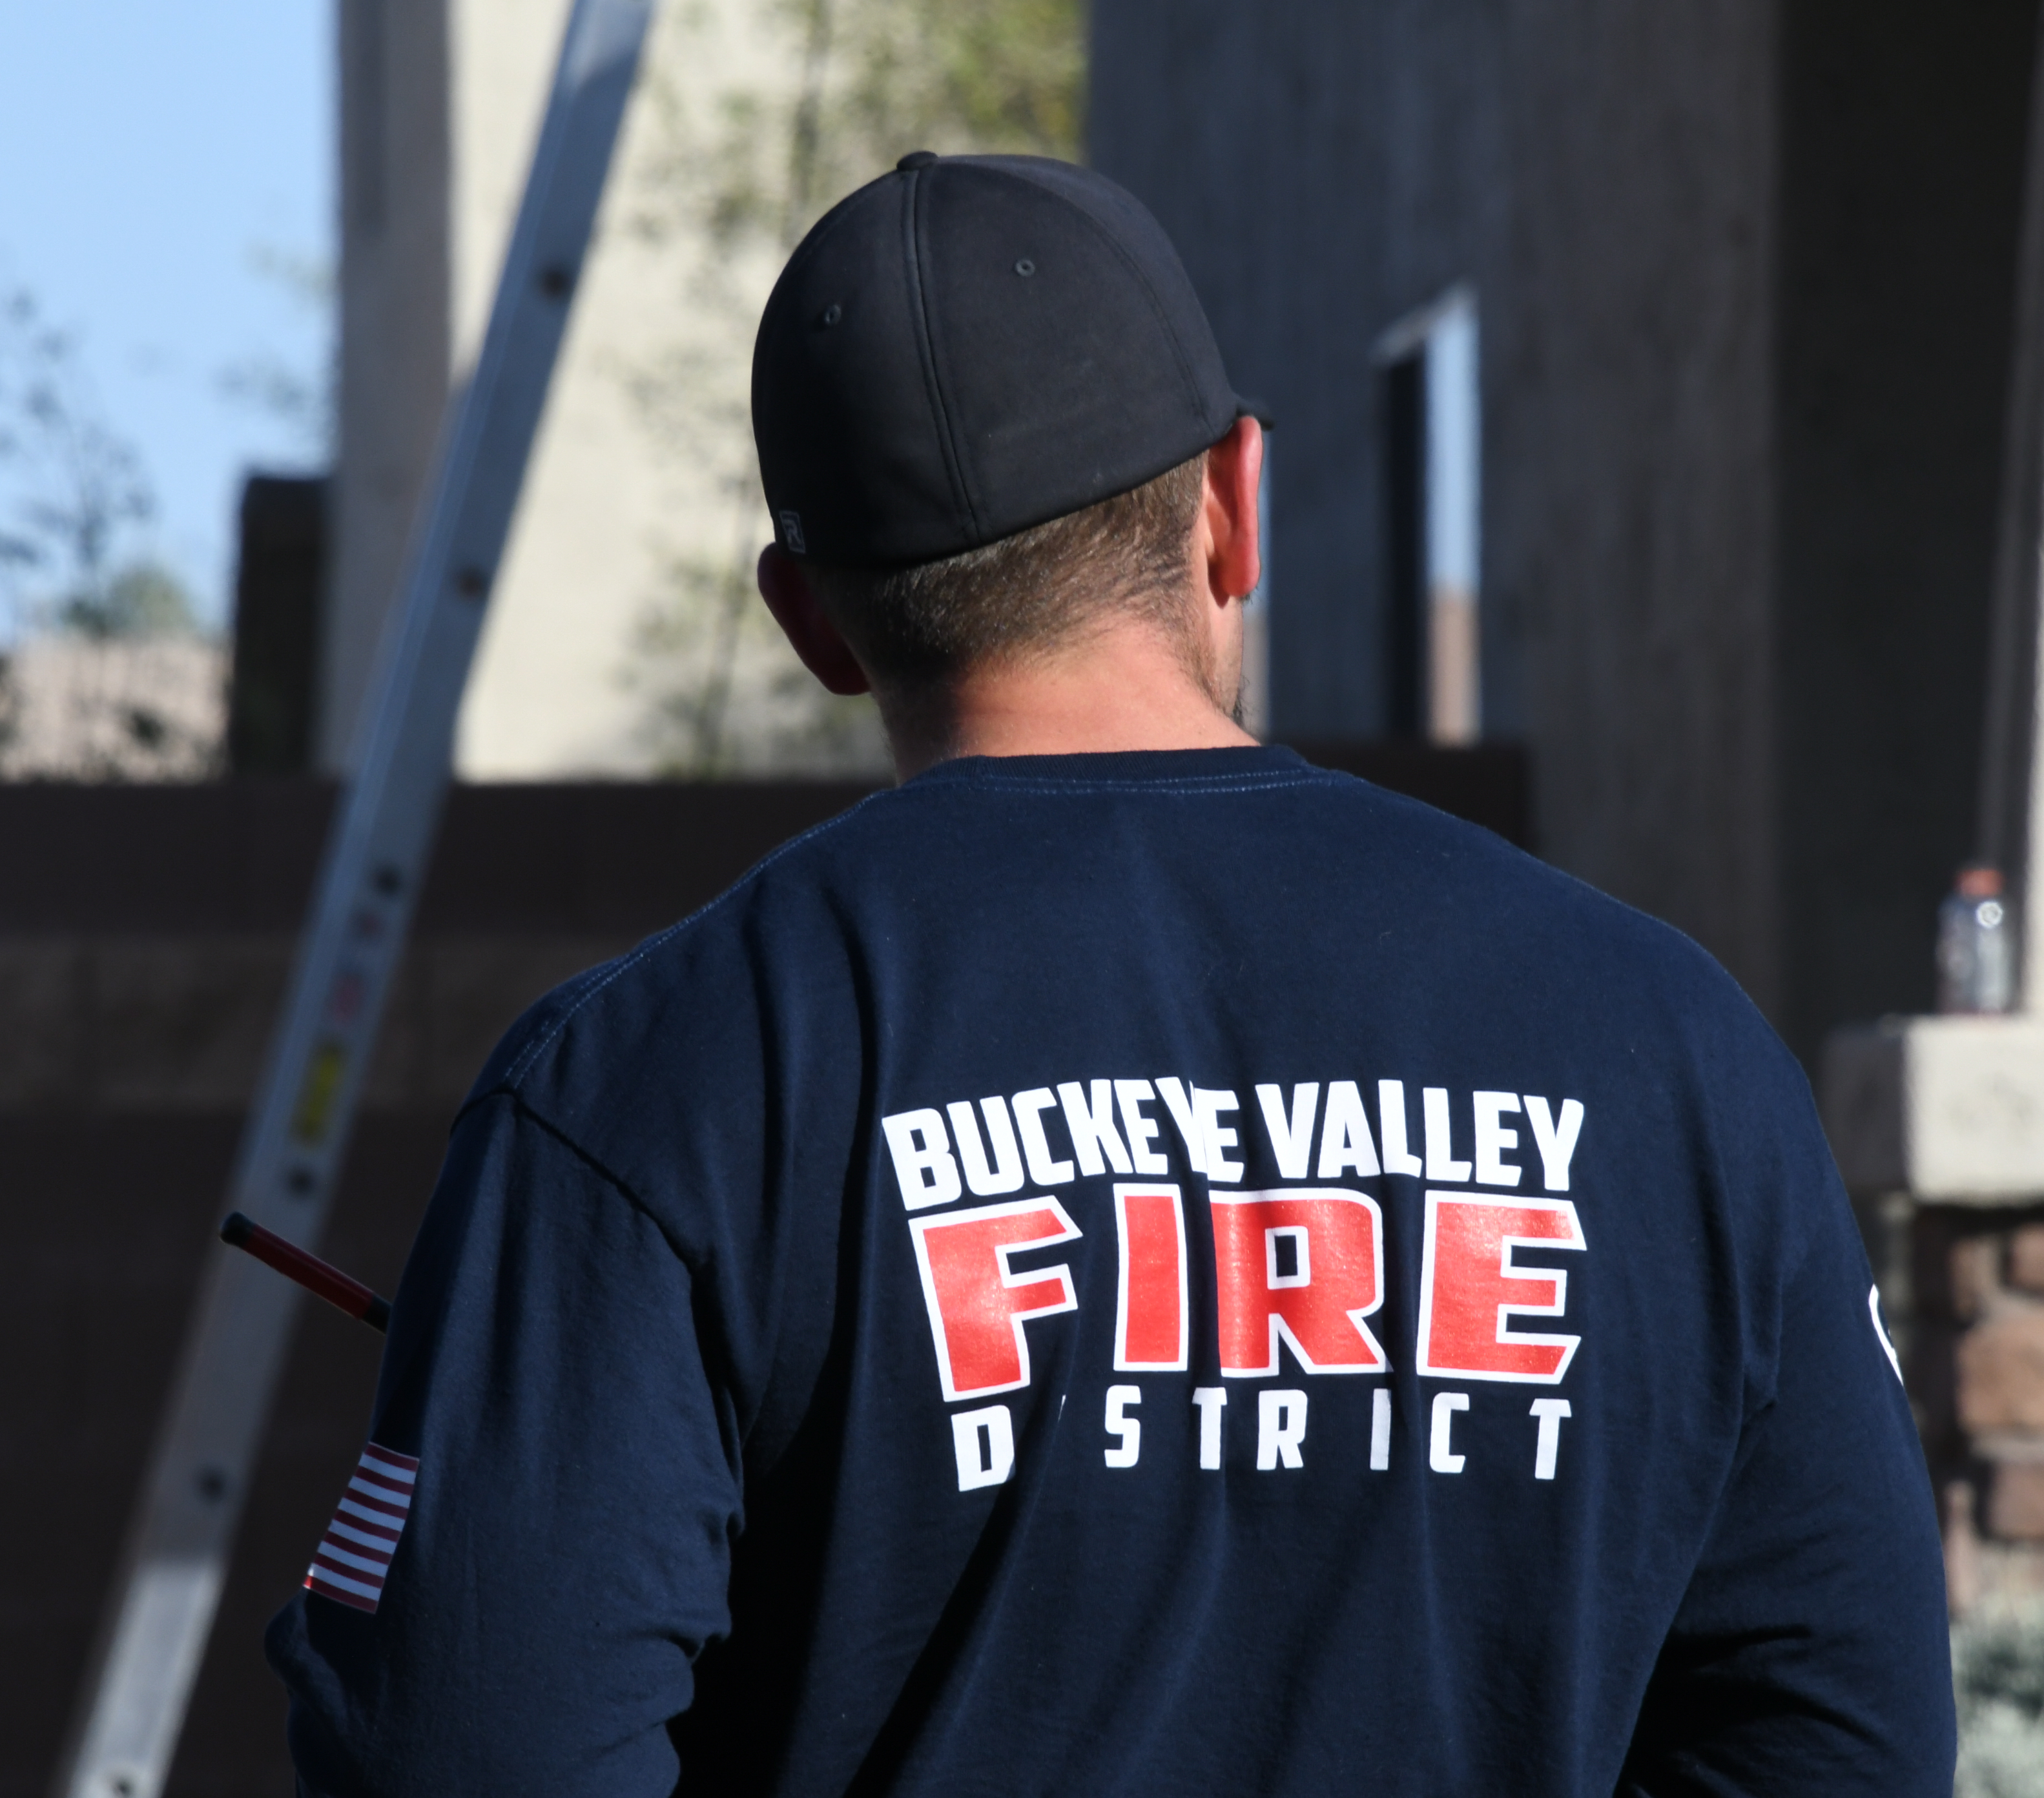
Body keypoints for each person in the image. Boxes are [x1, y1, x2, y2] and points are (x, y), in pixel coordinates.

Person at [267, 151, 1955, 1796]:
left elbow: (461, 1746)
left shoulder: (657, 1087)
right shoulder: (1671, 1053)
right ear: (1235, 504)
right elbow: (1847, 1737)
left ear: (811, 620)